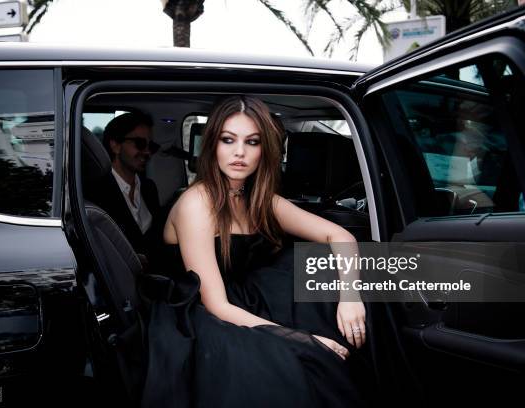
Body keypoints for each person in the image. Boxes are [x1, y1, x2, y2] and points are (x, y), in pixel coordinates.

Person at [138, 95, 372, 407]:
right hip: (203, 310)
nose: (239, 152)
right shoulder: (196, 203)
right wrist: (305, 339)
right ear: (213, 146)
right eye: (228, 140)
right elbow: (217, 305)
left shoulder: (257, 198)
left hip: (247, 295)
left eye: (252, 142)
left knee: (337, 272)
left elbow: (338, 234)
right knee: (297, 362)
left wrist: (350, 297)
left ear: (265, 151)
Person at [103, 111, 162, 256]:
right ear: (115, 145)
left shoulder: (149, 188)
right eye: (140, 144)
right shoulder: (98, 191)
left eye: (151, 146)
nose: (147, 152)